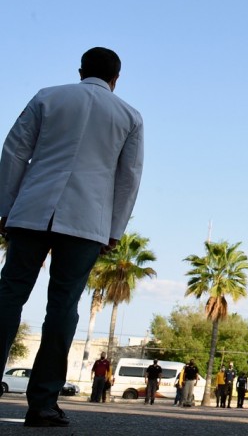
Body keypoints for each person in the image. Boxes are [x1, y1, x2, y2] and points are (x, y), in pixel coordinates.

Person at [0, 47, 144, 427]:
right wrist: (115, 229)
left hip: (31, 210)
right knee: (62, 308)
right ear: (116, 78)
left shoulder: (48, 97)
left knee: (9, 294)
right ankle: (44, 403)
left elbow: (15, 151)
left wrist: (6, 205)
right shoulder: (129, 116)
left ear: (80, 71)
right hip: (85, 221)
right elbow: (128, 178)